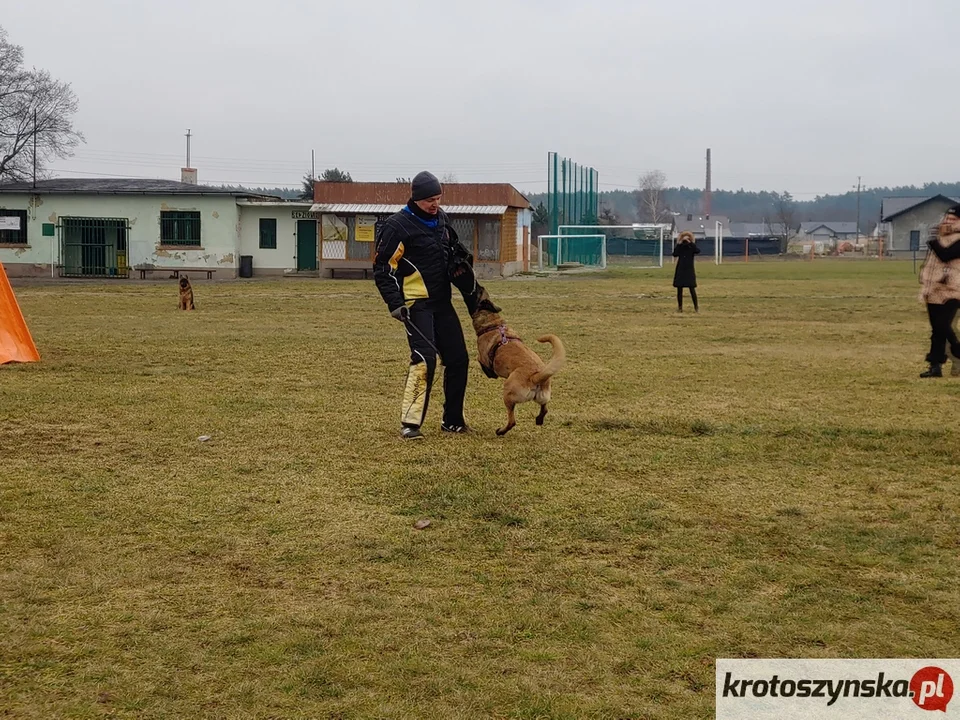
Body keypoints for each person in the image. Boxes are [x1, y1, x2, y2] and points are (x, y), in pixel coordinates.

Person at [373, 171, 495, 439]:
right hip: (416, 305)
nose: (435, 204)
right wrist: (395, 304)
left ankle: (452, 422)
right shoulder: (397, 226)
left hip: (442, 302)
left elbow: (451, 250)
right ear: (416, 198)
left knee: (458, 359)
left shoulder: (441, 220)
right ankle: (410, 424)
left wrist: (461, 267)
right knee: (424, 360)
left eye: (438, 198)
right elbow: (383, 268)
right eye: (430, 199)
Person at [918, 204, 960, 378]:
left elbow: (946, 255)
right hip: (934, 288)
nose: (949, 221)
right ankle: (935, 366)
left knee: (943, 325)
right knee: (937, 329)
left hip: (953, 288)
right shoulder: (942, 236)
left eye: (954, 219)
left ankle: (957, 348)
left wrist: (933, 241)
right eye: (947, 217)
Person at [672, 231, 700, 313]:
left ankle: (696, 307)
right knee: (679, 289)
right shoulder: (680, 247)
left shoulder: (691, 247)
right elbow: (675, 254)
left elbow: (697, 251)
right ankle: (680, 307)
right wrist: (680, 243)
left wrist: (690, 243)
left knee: (692, 289)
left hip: (689, 270)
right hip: (680, 269)